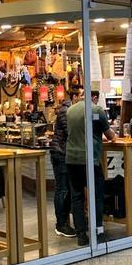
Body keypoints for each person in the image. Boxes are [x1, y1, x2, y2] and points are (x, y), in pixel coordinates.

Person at [65, 90, 116, 246]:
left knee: (77, 197)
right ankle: (98, 232)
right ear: (93, 98)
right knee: (96, 196)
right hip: (89, 159)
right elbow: (111, 136)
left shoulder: (70, 110)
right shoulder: (96, 110)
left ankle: (81, 235)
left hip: (71, 158)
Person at [49, 88, 81, 238]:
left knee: (68, 188)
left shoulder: (72, 109)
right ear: (74, 97)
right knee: (62, 189)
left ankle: (68, 222)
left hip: (67, 153)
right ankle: (61, 224)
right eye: (81, 95)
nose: (83, 98)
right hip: (60, 153)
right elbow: (72, 131)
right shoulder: (65, 111)